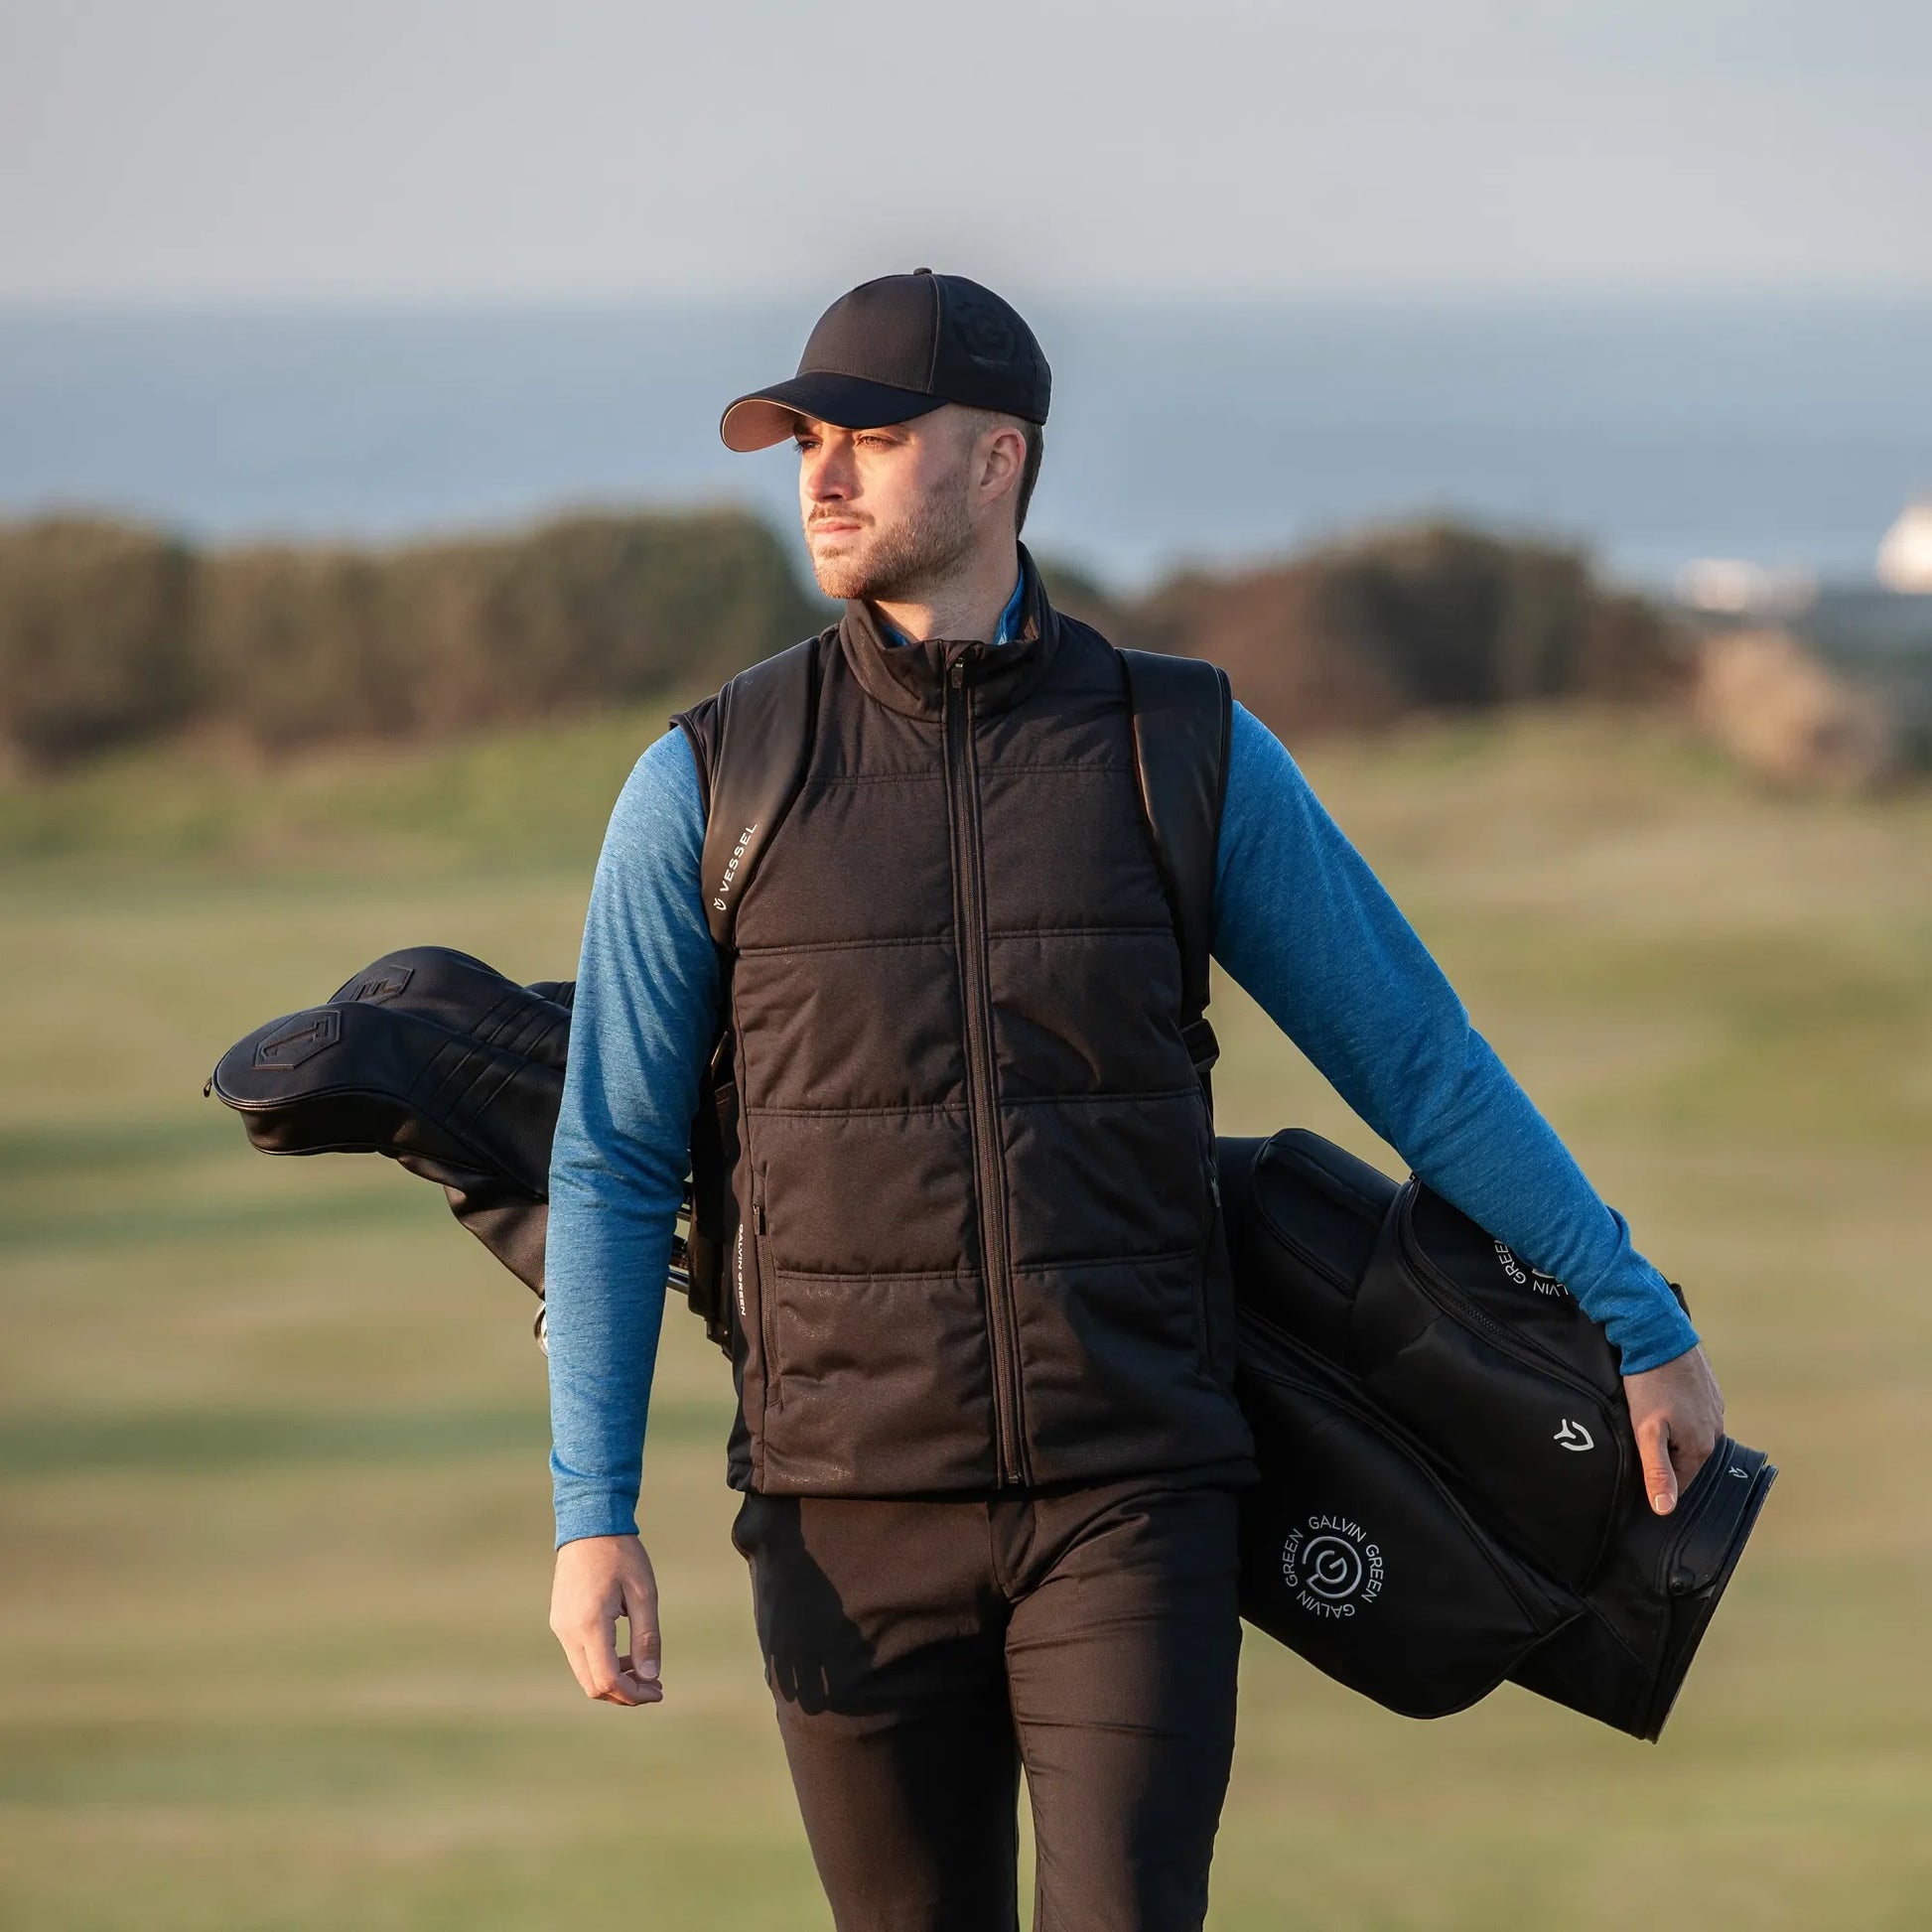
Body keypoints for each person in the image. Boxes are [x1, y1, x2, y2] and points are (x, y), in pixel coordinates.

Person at [542, 270, 1726, 1932]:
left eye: (870, 438)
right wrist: (590, 1515)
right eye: (805, 441)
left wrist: (1630, 1307)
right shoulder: (711, 779)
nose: (822, 476)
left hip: (1132, 1498)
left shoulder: (1181, 748)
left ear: (998, 460)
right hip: (842, 1514)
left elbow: (1415, 1059)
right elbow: (609, 1159)